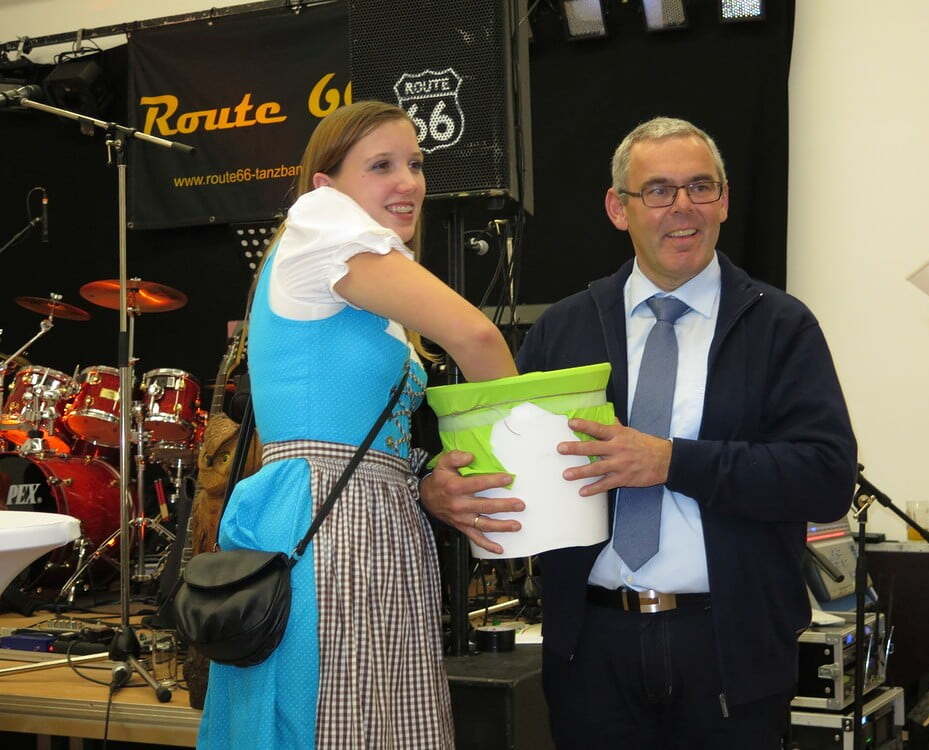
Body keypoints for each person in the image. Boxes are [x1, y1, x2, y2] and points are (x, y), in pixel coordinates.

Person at [420, 116, 857, 749]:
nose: (682, 206)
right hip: (590, 652)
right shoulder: (563, 329)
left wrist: (672, 462)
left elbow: (826, 478)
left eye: (700, 186)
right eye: (657, 190)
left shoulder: (780, 327)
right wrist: (442, 493)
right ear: (617, 209)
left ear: (725, 201)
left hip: (730, 650)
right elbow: (501, 464)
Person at [198, 100, 518, 750]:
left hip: (370, 520)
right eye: (381, 166)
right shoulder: (323, 224)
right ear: (327, 184)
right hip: (331, 524)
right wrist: (523, 465)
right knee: (333, 724)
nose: (409, 182)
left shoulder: (364, 283)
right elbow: (478, 337)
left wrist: (428, 477)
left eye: (416, 164)